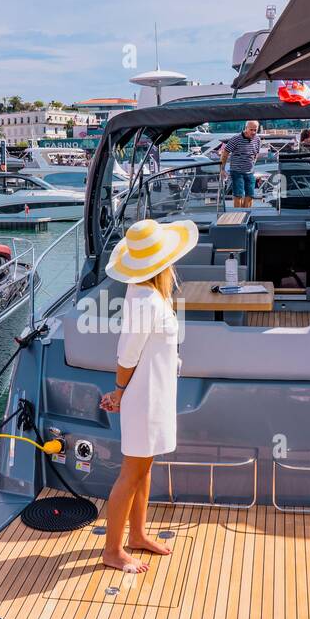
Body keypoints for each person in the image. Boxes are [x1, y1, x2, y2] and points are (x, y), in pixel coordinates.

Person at [97, 217, 198, 572]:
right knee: (131, 473)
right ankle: (112, 549)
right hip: (144, 398)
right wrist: (120, 393)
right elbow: (127, 356)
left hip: (155, 394)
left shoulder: (147, 294)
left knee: (144, 468)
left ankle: (137, 534)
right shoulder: (147, 302)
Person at [218, 120, 262, 209]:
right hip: (237, 172)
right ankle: (238, 216)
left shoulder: (257, 139)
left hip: (250, 172)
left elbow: (256, 153)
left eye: (255, 130)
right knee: (238, 195)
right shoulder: (236, 139)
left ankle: (247, 215)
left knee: (250, 195)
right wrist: (222, 169)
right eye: (251, 130)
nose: (253, 132)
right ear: (246, 129)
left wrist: (253, 162)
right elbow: (225, 153)